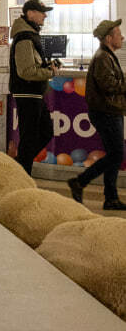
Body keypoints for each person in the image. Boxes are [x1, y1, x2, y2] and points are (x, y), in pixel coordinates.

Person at [68, 18, 126, 210]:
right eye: (119, 35)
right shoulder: (103, 57)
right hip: (106, 112)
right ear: (109, 38)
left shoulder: (107, 56)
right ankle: (80, 181)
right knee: (117, 153)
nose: (122, 38)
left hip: (109, 111)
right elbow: (108, 85)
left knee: (114, 154)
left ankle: (111, 198)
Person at [9, 0, 61, 176]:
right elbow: (26, 71)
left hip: (35, 94)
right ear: (30, 13)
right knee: (30, 137)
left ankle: (19, 166)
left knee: (44, 133)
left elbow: (31, 67)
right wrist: (50, 73)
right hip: (27, 94)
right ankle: (21, 174)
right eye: (42, 12)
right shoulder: (24, 38)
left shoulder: (30, 35)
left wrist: (46, 68)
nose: (45, 16)